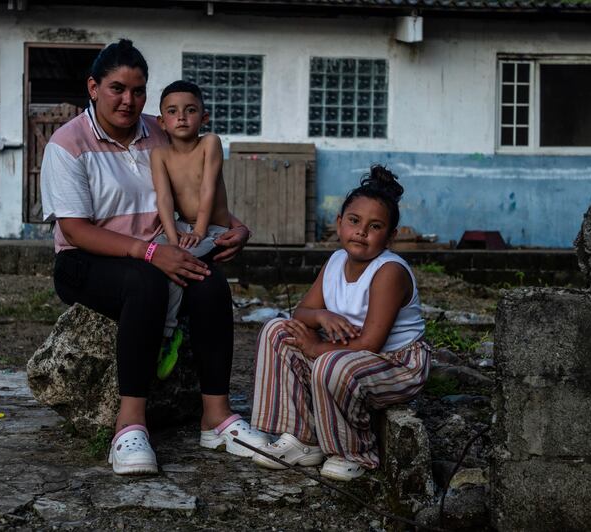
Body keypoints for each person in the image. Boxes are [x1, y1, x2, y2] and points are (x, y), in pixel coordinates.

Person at [40, 39, 269, 476]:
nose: (129, 100)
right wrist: (148, 252)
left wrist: (235, 226)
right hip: (86, 260)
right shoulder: (67, 144)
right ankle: (129, 427)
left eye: (139, 90)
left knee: (209, 282)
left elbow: (192, 191)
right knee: (144, 285)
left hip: (159, 250)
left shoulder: (160, 130)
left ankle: (216, 418)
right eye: (116, 88)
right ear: (93, 87)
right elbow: (74, 228)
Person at [250, 165, 431, 481]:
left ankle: (354, 451)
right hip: (346, 355)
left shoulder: (389, 272)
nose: (361, 231)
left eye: (375, 227)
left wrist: (317, 346)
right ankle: (300, 438)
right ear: (339, 223)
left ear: (389, 237)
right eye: (354, 221)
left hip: (396, 364)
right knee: (277, 330)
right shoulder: (335, 261)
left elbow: (371, 344)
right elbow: (301, 313)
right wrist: (321, 316)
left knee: (330, 364)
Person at [150, 80, 232, 380]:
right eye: (172, 111)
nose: (181, 117)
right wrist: (172, 239)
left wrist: (198, 229)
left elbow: (208, 187)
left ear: (204, 117)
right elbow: (164, 198)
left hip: (211, 228)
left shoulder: (209, 143)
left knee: (180, 264)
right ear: (162, 122)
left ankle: (168, 336)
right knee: (156, 256)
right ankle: (151, 327)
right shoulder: (159, 154)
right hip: (183, 228)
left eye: (190, 110)